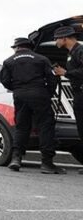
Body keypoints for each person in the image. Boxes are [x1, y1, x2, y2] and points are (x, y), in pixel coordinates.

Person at [0, 37, 63, 174]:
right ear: (30, 47)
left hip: (20, 95)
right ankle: (47, 163)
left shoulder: (8, 61)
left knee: (21, 126)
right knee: (45, 127)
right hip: (39, 94)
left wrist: (17, 88)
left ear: (17, 47)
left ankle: (16, 159)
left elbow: (4, 81)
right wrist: (48, 93)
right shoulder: (42, 59)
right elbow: (51, 79)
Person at [53, 25, 83, 174]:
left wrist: (66, 72)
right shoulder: (72, 53)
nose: (55, 42)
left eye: (56, 39)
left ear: (65, 38)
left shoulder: (80, 50)